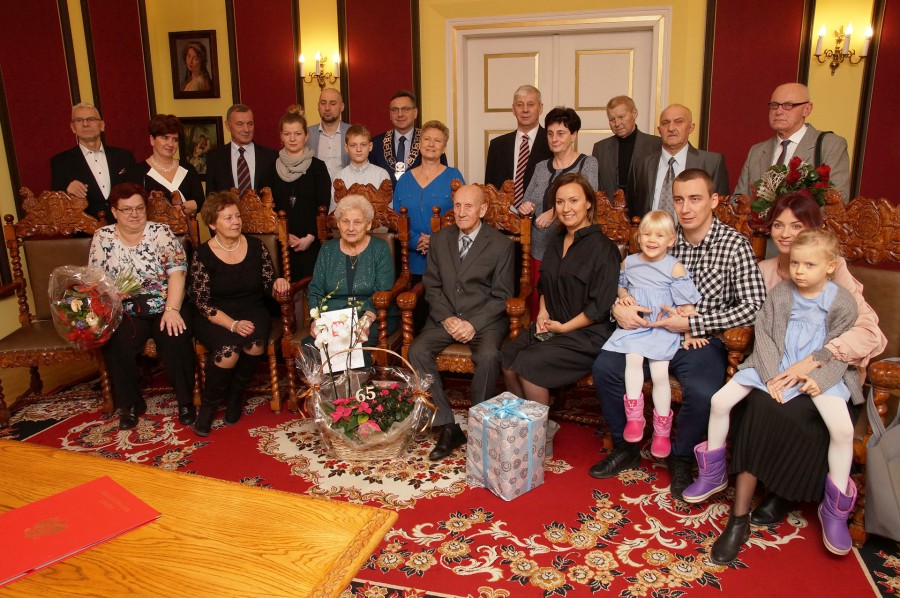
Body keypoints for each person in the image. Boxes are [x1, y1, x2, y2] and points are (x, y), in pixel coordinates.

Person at [688, 192, 886, 562]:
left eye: (796, 226)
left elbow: (858, 337)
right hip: (772, 367)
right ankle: (734, 507)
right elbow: (763, 332)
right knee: (752, 405)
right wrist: (772, 375)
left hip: (822, 373)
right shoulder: (772, 280)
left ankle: (818, 505)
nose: (785, 233)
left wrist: (815, 372)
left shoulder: (840, 288)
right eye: (778, 225)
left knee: (828, 425)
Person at [590, 169, 766, 501]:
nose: (686, 208)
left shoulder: (734, 245)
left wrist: (694, 325)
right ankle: (627, 445)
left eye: (695, 199)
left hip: (699, 339)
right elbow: (627, 281)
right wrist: (618, 308)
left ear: (713, 201)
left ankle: (681, 456)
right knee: (605, 368)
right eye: (679, 199)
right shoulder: (661, 236)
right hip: (647, 331)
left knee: (703, 391)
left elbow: (755, 306)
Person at [408, 184, 514, 461]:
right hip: (446, 317)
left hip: (485, 320)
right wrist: (447, 317)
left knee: (489, 355)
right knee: (416, 351)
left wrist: (473, 324)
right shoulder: (439, 239)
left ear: (483, 209)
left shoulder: (501, 245)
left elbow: (502, 296)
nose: (462, 212)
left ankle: (480, 425)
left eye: (469, 206)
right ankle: (447, 426)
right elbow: (432, 287)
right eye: (457, 206)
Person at [502, 173, 619, 408]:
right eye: (560, 202)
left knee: (529, 364)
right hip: (553, 326)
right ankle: (521, 421)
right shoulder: (556, 242)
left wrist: (564, 328)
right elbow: (544, 285)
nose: (566, 209)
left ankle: (537, 428)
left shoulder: (604, 249)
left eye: (573, 201)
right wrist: (543, 313)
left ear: (588, 203)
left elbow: (599, 308)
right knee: (507, 355)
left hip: (587, 335)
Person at [88, 183, 195, 430]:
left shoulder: (161, 232)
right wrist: (111, 300)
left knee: (175, 336)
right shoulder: (102, 237)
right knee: (116, 341)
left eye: (139, 208)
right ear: (114, 211)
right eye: (127, 209)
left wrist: (172, 310)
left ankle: (186, 402)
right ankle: (131, 404)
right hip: (125, 306)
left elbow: (178, 272)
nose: (134, 214)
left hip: (166, 302)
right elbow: (96, 280)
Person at [601, 210, 703, 459]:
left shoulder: (674, 267)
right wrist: (624, 296)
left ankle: (662, 430)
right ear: (638, 237)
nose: (651, 240)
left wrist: (690, 333)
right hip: (638, 326)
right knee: (632, 361)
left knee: (659, 374)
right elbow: (620, 285)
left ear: (671, 240)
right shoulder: (630, 262)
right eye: (646, 234)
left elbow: (687, 305)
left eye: (659, 235)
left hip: (661, 327)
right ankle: (635, 418)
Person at [190, 191, 289, 435]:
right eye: (228, 218)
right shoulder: (202, 255)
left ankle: (236, 395)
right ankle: (209, 407)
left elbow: (268, 284)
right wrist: (232, 324)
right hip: (215, 315)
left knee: (254, 344)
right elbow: (202, 302)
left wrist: (277, 283)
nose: (236, 222)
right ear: (212, 224)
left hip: (252, 308)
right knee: (228, 352)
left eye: (237, 216)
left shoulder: (256, 247)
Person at [517, 107, 598, 315]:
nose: (554, 139)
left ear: (574, 135)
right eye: (550, 133)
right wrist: (526, 207)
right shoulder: (541, 166)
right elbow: (527, 200)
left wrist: (554, 213)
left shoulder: (587, 163)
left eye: (561, 133)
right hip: (539, 247)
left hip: (572, 250)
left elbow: (588, 199)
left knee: (565, 307)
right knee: (538, 307)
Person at [308, 194, 397, 348]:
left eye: (357, 222)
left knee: (355, 346)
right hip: (333, 317)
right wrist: (316, 319)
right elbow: (316, 290)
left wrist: (366, 320)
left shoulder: (380, 249)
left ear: (368, 224)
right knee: (314, 346)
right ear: (338, 224)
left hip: (373, 315)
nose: (350, 228)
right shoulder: (328, 249)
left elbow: (383, 291)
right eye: (345, 221)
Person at [734, 83, 850, 200]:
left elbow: (838, 199)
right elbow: (738, 199)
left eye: (788, 105)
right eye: (774, 105)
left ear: (807, 109)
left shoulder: (831, 146)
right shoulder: (757, 151)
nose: (778, 112)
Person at [628, 104, 729, 219]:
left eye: (678, 122)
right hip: (650, 230)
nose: (671, 128)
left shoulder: (712, 163)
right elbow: (632, 208)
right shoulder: (641, 163)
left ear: (691, 128)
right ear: (659, 130)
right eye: (665, 123)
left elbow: (721, 210)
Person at [392, 120, 465, 279]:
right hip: (409, 263)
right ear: (419, 144)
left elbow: (463, 216)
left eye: (437, 140)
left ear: (444, 147)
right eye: (427, 139)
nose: (431, 144)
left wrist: (435, 241)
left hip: (446, 262)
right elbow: (396, 218)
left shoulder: (454, 177)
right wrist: (416, 240)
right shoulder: (404, 179)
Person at [268, 105, 331, 281]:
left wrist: (310, 237)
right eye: (287, 134)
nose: (292, 139)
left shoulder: (318, 168)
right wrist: (283, 235)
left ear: (306, 135)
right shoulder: (270, 168)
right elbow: (267, 209)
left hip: (312, 241)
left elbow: (324, 205)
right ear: (281, 136)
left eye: (297, 133)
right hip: (281, 243)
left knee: (314, 290)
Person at [51, 102, 136, 220]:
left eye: (91, 119)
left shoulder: (124, 156)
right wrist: (66, 192)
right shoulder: (60, 162)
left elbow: (136, 192)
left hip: (125, 224)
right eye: (79, 120)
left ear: (102, 125)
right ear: (73, 127)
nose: (85, 124)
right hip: (85, 229)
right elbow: (55, 204)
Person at [483, 85, 552, 204]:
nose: (525, 110)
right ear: (513, 109)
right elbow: (489, 190)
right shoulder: (497, 146)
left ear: (540, 108)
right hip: (503, 214)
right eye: (520, 105)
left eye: (531, 104)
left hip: (541, 214)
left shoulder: (552, 142)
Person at [127, 114, 205, 213]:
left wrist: (177, 208)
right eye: (165, 138)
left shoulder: (188, 169)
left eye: (175, 139)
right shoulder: (138, 172)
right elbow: (134, 207)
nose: (170, 144)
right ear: (152, 140)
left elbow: (200, 202)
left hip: (187, 223)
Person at [590, 95, 661, 201]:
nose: (617, 123)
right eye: (612, 119)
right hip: (610, 210)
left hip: (644, 209)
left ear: (634, 113)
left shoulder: (656, 144)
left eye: (621, 117)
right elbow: (596, 188)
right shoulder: (600, 148)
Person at [370, 90, 447, 186]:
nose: (400, 114)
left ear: (415, 112)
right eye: (395, 110)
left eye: (405, 109)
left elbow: (442, 176)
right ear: (390, 114)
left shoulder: (430, 143)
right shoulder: (376, 144)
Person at [205, 104, 278, 195]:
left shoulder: (271, 157)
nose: (246, 129)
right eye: (240, 124)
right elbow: (211, 198)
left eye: (250, 124)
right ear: (228, 125)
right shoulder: (215, 158)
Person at [329, 124, 390, 212]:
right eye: (353, 145)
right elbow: (334, 212)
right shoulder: (339, 177)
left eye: (363, 145)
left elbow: (388, 211)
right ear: (346, 147)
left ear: (370, 146)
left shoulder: (382, 175)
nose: (358, 149)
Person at [306, 88, 351, 181]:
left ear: (342, 107)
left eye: (333, 104)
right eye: (323, 103)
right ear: (318, 106)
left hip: (346, 188)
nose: (327, 108)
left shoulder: (352, 132)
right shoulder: (307, 134)